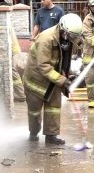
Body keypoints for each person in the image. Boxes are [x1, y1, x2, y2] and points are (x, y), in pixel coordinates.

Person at [23, 13, 83, 145]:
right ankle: (33, 133)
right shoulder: (46, 39)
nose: (73, 39)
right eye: (71, 36)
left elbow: (79, 42)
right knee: (34, 112)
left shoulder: (68, 36)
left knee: (53, 109)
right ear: (63, 30)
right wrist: (62, 80)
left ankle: (51, 136)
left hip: (54, 78)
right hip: (36, 80)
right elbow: (43, 65)